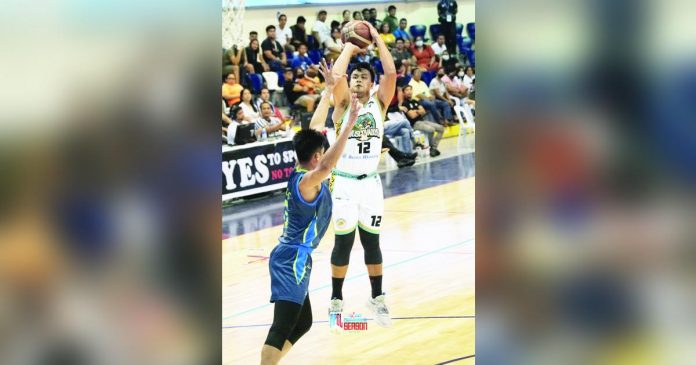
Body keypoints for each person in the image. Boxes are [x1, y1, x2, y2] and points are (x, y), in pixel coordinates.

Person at [260, 59, 361, 365]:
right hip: (292, 258)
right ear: (316, 156)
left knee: (302, 323)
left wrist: (329, 89)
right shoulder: (307, 182)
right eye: (322, 151)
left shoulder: (303, 170)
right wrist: (349, 124)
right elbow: (328, 164)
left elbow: (315, 127)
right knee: (281, 328)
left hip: (296, 257)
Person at [327, 21, 397, 330]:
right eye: (354, 76)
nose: (356, 79)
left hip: (370, 183)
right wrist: (350, 47)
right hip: (343, 181)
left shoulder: (379, 104)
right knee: (343, 244)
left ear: (371, 84)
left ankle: (377, 296)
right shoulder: (342, 104)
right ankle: (336, 299)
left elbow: (391, 74)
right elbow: (337, 77)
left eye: (363, 76)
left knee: (372, 242)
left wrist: (378, 38)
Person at [401, 85, 444, 156]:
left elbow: (423, 111)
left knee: (441, 128)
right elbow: (412, 116)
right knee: (431, 129)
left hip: (423, 121)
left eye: (410, 90)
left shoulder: (415, 101)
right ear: (403, 93)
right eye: (407, 90)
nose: (409, 92)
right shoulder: (404, 104)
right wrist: (418, 111)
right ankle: (433, 148)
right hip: (415, 124)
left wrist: (415, 111)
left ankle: (433, 148)